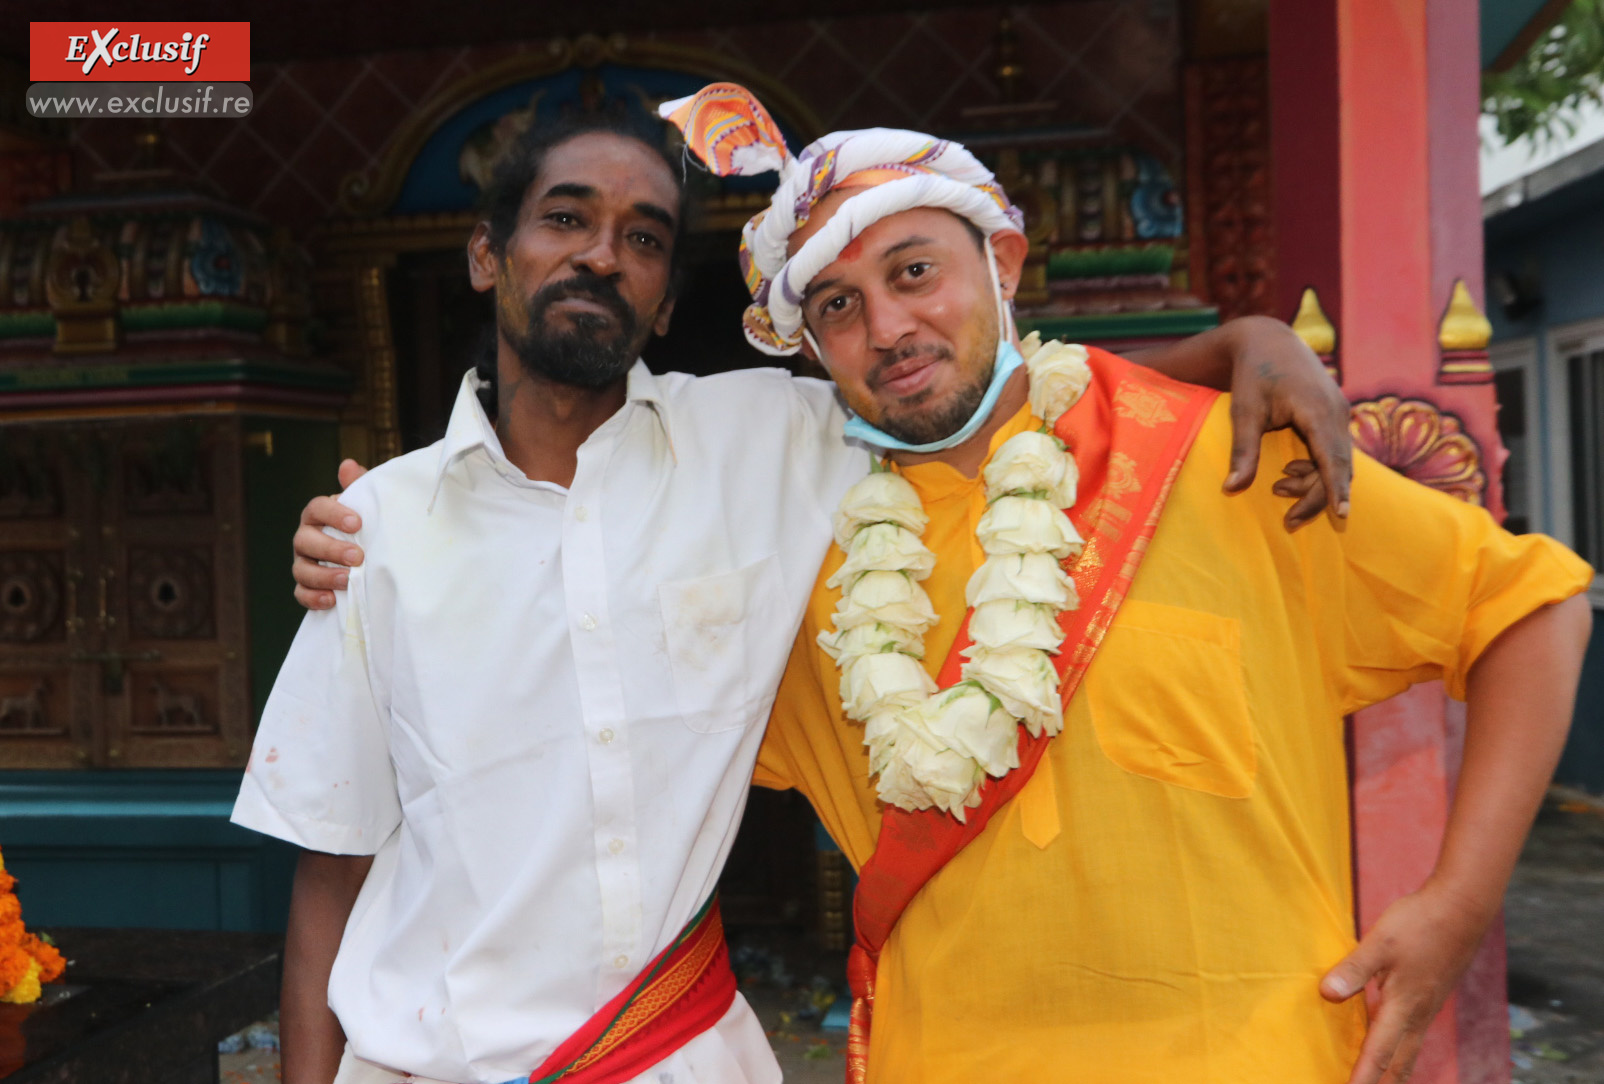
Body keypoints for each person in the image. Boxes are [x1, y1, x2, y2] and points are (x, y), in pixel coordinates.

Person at [260, 109, 1355, 1084]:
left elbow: (982, 390)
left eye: (642, 238)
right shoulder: (376, 532)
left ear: (666, 296)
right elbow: (333, 862)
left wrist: (1235, 344)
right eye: (565, 219)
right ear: (486, 254)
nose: (603, 255)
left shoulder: (768, 439)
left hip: (668, 1050)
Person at [649, 85, 1587, 1084]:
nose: (887, 327)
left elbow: (1526, 608)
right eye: (837, 307)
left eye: (913, 271)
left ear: (1000, 261)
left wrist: (1455, 904)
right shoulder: (806, 567)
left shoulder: (1220, 455)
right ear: (811, 348)